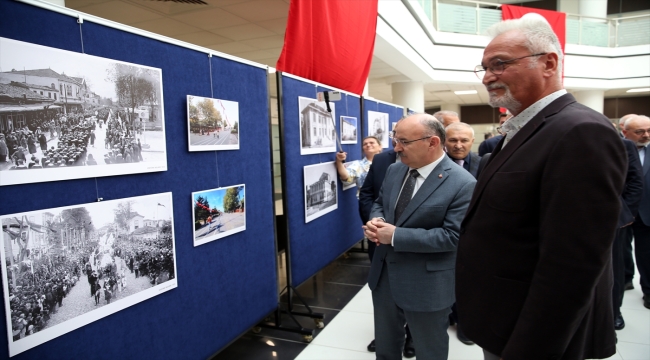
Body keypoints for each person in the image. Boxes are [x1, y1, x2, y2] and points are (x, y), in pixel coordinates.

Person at [456, 17, 626, 360]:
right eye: (485, 67)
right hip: (502, 319)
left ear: (548, 63)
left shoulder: (580, 131)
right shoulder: (524, 130)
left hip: (529, 336)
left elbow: (571, 267)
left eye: (500, 64)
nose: (488, 76)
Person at [364, 113, 476, 359]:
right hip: (384, 277)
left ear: (433, 142)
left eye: (404, 141)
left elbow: (452, 237)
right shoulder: (395, 170)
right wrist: (378, 220)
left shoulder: (463, 184)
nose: (396, 147)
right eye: (396, 139)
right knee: (385, 347)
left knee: (429, 350)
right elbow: (380, 203)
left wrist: (395, 236)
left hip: (427, 285)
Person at [611, 137, 643, 330]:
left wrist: (625, 214)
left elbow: (635, 180)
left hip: (613, 218)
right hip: (576, 217)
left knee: (614, 268)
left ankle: (615, 312)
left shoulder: (624, 145)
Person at [622, 115, 650, 310]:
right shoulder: (615, 148)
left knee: (647, 254)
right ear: (625, 132)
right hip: (623, 211)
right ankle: (625, 278)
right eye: (640, 132)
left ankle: (648, 291)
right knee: (621, 250)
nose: (645, 135)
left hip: (647, 211)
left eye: (648, 131)